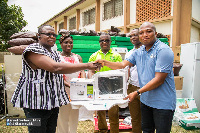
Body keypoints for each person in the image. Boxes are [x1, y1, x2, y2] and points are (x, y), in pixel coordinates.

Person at [11, 25, 98, 133]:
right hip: (35, 104)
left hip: (52, 102)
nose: (52, 37)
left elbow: (57, 77)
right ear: (39, 36)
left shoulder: (53, 53)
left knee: (51, 130)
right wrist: (86, 65)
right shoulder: (33, 50)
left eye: (54, 35)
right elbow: (55, 68)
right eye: (48, 34)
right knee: (37, 130)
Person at [95, 22, 176, 133]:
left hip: (162, 103)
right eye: (141, 33)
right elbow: (122, 65)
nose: (145, 35)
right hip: (146, 101)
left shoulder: (163, 50)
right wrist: (104, 62)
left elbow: (159, 80)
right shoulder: (139, 52)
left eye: (149, 31)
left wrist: (137, 92)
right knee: (147, 130)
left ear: (155, 33)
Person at [88, 33, 122, 133]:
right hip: (99, 86)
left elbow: (120, 69)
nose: (104, 42)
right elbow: (90, 71)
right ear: (99, 42)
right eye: (102, 40)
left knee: (113, 111)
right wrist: (91, 82)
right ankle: (103, 130)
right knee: (100, 110)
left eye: (107, 40)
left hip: (113, 87)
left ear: (110, 42)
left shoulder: (116, 56)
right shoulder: (94, 56)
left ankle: (114, 130)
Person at [56, 32, 86, 133]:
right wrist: (70, 85)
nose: (69, 45)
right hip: (63, 90)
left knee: (74, 115)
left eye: (71, 42)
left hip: (76, 91)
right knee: (63, 116)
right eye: (66, 42)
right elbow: (57, 75)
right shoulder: (57, 57)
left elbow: (82, 71)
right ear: (61, 44)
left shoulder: (78, 57)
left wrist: (82, 83)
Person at [125, 28, 142, 133]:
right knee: (134, 116)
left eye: (135, 35)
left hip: (145, 87)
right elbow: (127, 70)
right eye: (131, 36)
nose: (133, 37)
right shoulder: (129, 53)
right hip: (132, 87)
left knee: (148, 117)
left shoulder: (147, 51)